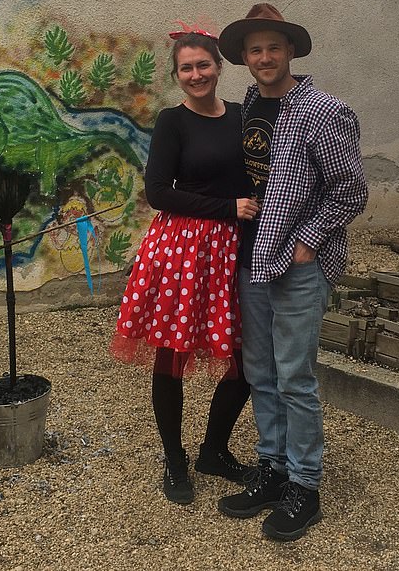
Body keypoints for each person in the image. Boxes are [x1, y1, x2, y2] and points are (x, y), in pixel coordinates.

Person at [216, 3, 368, 541]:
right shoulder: (252, 105)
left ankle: (306, 485)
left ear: (291, 52)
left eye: (273, 47)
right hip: (254, 258)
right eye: (255, 50)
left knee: (295, 377)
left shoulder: (324, 110)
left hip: (298, 264)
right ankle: (273, 469)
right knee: (260, 372)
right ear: (245, 58)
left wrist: (307, 241)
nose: (264, 57)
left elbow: (350, 189)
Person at [111, 25, 259, 505]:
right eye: (186, 68)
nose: (197, 74)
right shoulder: (173, 122)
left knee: (244, 359)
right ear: (177, 75)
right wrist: (226, 209)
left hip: (238, 249)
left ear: (219, 66)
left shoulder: (243, 115)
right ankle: (174, 458)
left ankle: (214, 450)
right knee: (172, 356)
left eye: (204, 65)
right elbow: (157, 192)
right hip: (185, 250)